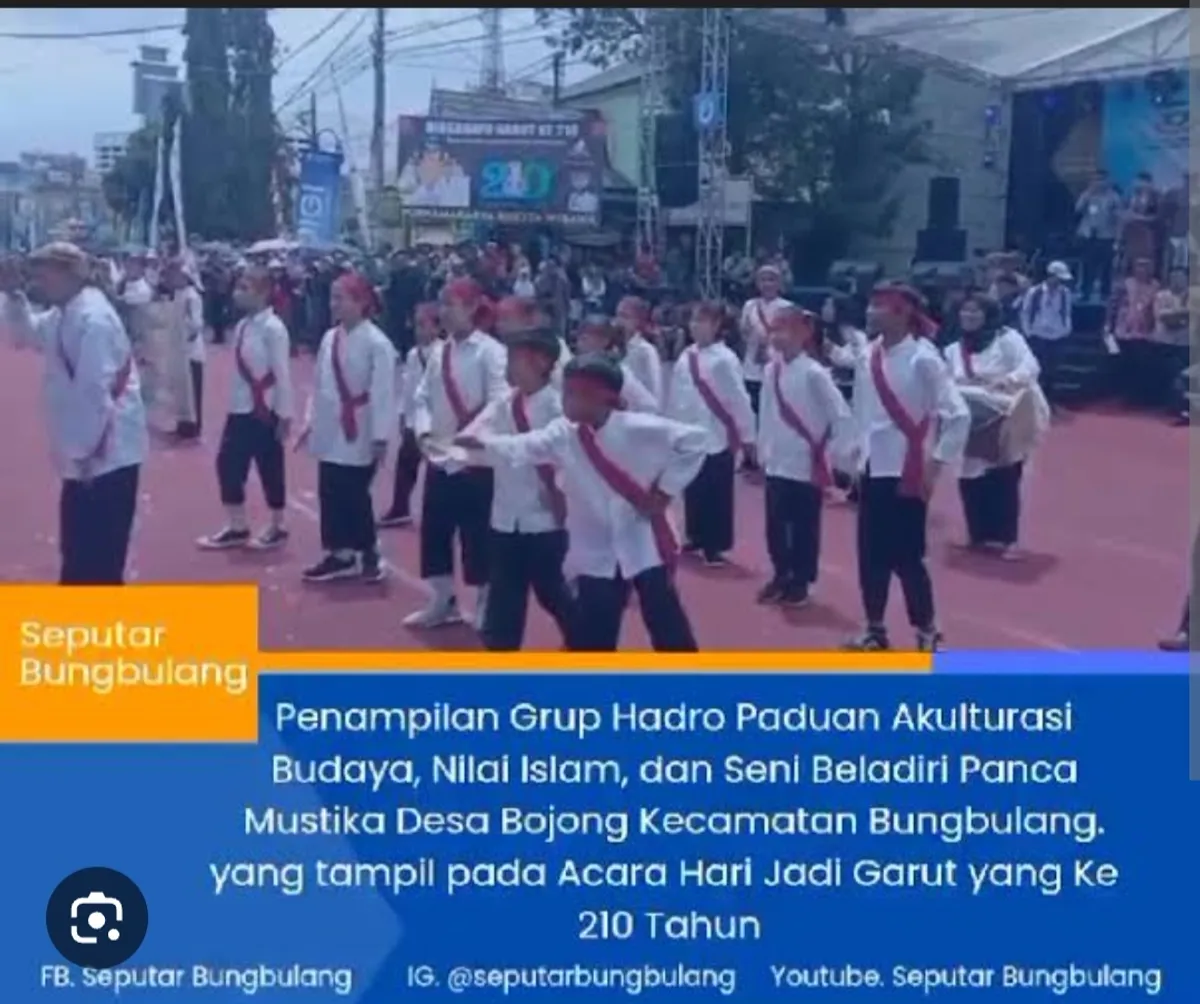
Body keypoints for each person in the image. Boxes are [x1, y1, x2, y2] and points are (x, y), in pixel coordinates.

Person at [456, 353, 705, 651]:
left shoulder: (638, 428)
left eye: (572, 394)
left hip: (644, 541)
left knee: (666, 625)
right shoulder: (564, 432)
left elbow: (695, 442)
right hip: (596, 548)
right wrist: (482, 444)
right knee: (594, 632)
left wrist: (664, 491)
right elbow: (524, 447)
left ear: (599, 397)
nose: (565, 401)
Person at [2, 242, 148, 584]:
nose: (37, 282)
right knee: (79, 555)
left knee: (97, 560)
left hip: (105, 453)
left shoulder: (93, 318)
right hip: (87, 453)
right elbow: (25, 336)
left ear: (68, 274)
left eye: (43, 274)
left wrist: (83, 454)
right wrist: (14, 297)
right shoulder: (65, 312)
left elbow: (95, 393)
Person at [845, 284, 970, 652]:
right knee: (870, 553)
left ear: (901, 314)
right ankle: (874, 627)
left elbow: (957, 414)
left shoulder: (923, 358)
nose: (870, 312)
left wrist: (937, 462)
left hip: (907, 470)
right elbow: (862, 412)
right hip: (874, 467)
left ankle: (927, 629)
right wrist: (856, 457)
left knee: (908, 555)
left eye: (879, 307)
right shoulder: (869, 355)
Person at [458, 330, 576, 650]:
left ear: (541, 362)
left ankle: (586, 642)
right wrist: (457, 446)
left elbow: (542, 450)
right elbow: (474, 435)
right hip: (505, 516)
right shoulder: (505, 402)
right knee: (504, 598)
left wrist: (486, 445)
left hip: (544, 518)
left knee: (551, 591)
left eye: (516, 359)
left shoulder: (558, 407)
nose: (509, 366)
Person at [406, 277, 508, 630]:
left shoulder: (491, 352)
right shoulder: (439, 351)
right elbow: (422, 396)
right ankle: (442, 598)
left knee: (477, 532)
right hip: (440, 455)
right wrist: (422, 430)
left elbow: (500, 400)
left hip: (475, 459)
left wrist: (470, 435)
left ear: (470, 308)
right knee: (435, 529)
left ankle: (485, 599)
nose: (444, 311)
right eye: (442, 304)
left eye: (451, 304)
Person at [294, 273, 396, 583]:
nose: (333, 303)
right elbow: (321, 384)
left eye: (341, 298)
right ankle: (339, 551)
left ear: (362, 302)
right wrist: (310, 420)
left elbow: (382, 393)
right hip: (330, 423)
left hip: (360, 425)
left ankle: (368, 550)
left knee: (354, 491)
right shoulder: (329, 338)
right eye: (332, 297)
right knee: (330, 488)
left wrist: (380, 435)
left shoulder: (378, 343)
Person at [757, 305, 852, 605]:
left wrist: (835, 457)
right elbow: (767, 412)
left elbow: (840, 415)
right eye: (774, 329)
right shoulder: (771, 369)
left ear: (803, 333)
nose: (778, 336)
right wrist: (763, 449)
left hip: (804, 461)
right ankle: (781, 572)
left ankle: (802, 579)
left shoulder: (814, 373)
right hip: (776, 460)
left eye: (785, 329)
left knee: (803, 525)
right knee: (774, 525)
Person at [197, 265, 294, 551]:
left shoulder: (274, 328)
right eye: (238, 286)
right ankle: (237, 525)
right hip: (240, 407)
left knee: (269, 466)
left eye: (246, 288)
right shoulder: (242, 326)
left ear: (263, 292)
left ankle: (277, 524)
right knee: (228, 464)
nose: (238, 293)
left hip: (266, 409)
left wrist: (284, 414)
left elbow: (282, 373)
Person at [944, 292, 1048, 557]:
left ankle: (1008, 540)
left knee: (1005, 477)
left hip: (1006, 416)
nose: (969, 316)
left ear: (987, 315)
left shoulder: (1007, 339)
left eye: (975, 311)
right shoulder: (953, 349)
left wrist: (1006, 380)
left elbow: (1030, 366)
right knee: (969, 477)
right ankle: (977, 534)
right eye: (965, 311)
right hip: (971, 418)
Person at [666, 300, 755, 565]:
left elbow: (738, 399)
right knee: (693, 487)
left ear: (717, 326)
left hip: (717, 432)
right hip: (689, 431)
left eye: (702, 321)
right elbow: (677, 395)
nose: (696, 326)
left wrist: (748, 435)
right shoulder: (686, 355)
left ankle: (716, 543)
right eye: (693, 320)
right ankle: (696, 534)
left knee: (716, 490)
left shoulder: (725, 359)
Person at [378, 302, 439, 528]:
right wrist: (403, 414)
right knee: (405, 465)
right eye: (417, 325)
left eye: (424, 325)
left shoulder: (443, 353)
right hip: (414, 421)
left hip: (435, 423)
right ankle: (400, 507)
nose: (419, 330)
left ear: (436, 327)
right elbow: (408, 387)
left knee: (437, 471)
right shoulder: (414, 355)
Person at [738, 264, 792, 471]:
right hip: (751, 366)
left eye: (772, 279)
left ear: (779, 283)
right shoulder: (750, 306)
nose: (767, 284)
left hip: (776, 365)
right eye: (763, 279)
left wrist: (769, 344)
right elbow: (743, 333)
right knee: (750, 412)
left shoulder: (787, 307)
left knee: (771, 412)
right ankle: (749, 455)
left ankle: (770, 454)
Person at [1020, 261, 1074, 409]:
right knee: (1038, 368)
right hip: (1038, 333)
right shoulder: (1034, 292)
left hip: (1057, 334)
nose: (1060, 282)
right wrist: (1028, 332)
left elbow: (1066, 312)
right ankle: (1034, 400)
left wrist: (1065, 330)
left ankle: (1049, 400)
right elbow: (1026, 312)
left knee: (1053, 369)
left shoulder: (1065, 293)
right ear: (1050, 276)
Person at [575, 317, 659, 412]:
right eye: (579, 338)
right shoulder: (578, 369)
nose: (579, 344)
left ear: (604, 341)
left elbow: (649, 406)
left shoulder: (619, 372)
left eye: (585, 338)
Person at [162, 256, 205, 440]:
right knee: (180, 389)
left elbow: (196, 323)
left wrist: (186, 336)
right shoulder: (178, 295)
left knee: (193, 390)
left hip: (191, 351)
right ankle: (183, 423)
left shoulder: (191, 296)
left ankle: (194, 426)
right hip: (179, 351)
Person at [614, 295, 664, 407]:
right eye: (618, 315)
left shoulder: (646, 351)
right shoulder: (612, 350)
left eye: (625, 317)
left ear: (637, 320)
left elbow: (655, 393)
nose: (619, 321)